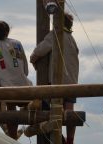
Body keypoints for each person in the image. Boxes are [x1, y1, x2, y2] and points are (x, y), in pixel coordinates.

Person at [30, 13, 80, 144]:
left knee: (53, 110)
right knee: (69, 110)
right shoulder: (71, 38)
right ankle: (70, 140)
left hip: (58, 79)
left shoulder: (55, 35)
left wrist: (32, 59)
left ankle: (57, 138)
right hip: (72, 81)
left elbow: (40, 51)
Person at [0, 20, 32, 139]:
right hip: (23, 86)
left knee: (6, 104)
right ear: (7, 32)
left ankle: (11, 137)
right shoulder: (17, 44)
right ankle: (14, 136)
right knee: (13, 104)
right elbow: (25, 69)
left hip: (1, 89)